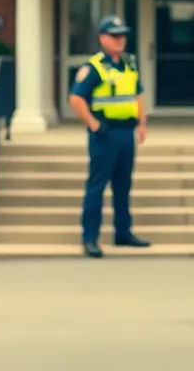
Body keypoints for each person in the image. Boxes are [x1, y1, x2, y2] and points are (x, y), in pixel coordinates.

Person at [69, 14, 151, 258]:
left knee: (123, 185)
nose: (120, 40)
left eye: (122, 36)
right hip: (105, 134)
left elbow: (138, 94)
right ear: (102, 38)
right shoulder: (94, 67)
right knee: (97, 186)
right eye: (115, 36)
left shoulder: (129, 64)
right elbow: (75, 99)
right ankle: (90, 238)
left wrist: (142, 123)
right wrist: (93, 124)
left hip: (126, 133)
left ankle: (123, 233)